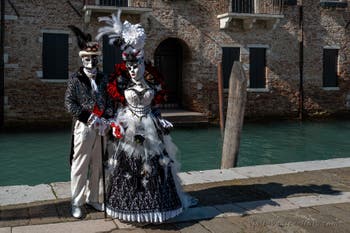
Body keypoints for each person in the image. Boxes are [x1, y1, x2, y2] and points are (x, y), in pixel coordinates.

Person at [96, 11, 197, 224]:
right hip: (130, 127)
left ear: (143, 64)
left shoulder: (153, 82)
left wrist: (160, 119)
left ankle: (157, 208)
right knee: (128, 167)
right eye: (130, 66)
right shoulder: (121, 83)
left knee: (155, 166)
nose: (133, 70)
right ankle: (128, 207)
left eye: (137, 65)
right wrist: (113, 123)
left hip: (150, 127)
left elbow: (155, 106)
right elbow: (114, 105)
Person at [65, 26, 112, 218]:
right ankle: (77, 202)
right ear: (82, 59)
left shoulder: (104, 78)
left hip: (101, 127)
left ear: (98, 59)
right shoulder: (75, 79)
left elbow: (110, 100)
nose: (91, 62)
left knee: (98, 165)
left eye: (94, 58)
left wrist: (106, 118)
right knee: (80, 165)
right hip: (84, 127)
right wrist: (89, 117)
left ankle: (93, 199)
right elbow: (69, 103)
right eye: (87, 58)